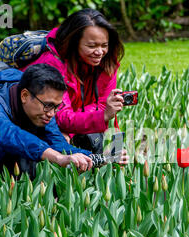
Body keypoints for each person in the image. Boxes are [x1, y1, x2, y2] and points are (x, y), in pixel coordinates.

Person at [0, 63, 127, 206]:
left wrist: (104, 158)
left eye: (56, 107)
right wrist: (57, 157)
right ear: (25, 95)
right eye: (48, 105)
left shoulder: (40, 111)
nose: (52, 114)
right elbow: (10, 136)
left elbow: (60, 145)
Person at [21, 8, 126, 151]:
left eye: (104, 45)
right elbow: (58, 115)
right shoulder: (51, 65)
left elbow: (100, 104)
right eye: (91, 46)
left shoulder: (107, 63)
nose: (99, 52)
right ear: (73, 42)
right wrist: (101, 116)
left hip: (68, 124)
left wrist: (72, 128)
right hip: (32, 123)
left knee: (107, 149)